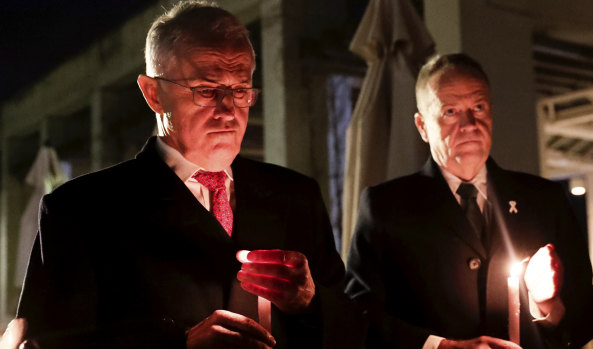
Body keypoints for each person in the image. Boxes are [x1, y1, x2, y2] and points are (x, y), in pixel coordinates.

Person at [15, 2, 357, 348]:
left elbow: (354, 326)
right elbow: (49, 343)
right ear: (153, 94)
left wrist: (311, 303)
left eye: (240, 90)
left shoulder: (295, 195)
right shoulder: (80, 210)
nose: (228, 111)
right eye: (207, 91)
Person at [345, 53, 593, 349]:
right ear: (422, 126)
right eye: (450, 112)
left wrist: (547, 305)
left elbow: (590, 310)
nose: (469, 123)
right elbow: (358, 312)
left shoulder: (543, 199)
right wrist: (440, 347)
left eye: (478, 107)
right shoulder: (386, 206)